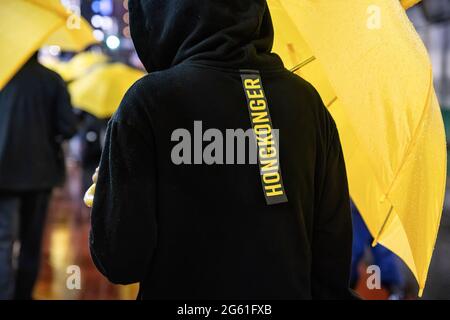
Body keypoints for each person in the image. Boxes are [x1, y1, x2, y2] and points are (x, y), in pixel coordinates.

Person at [90, 0, 353, 299]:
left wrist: (111, 197)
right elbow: (331, 264)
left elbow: (121, 260)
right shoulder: (307, 102)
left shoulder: (149, 103)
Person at [0, 53, 76, 300]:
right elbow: (68, 127)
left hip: (3, 173)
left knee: (3, 240)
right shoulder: (52, 80)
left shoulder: (3, 77)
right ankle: (24, 295)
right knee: (31, 244)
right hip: (40, 174)